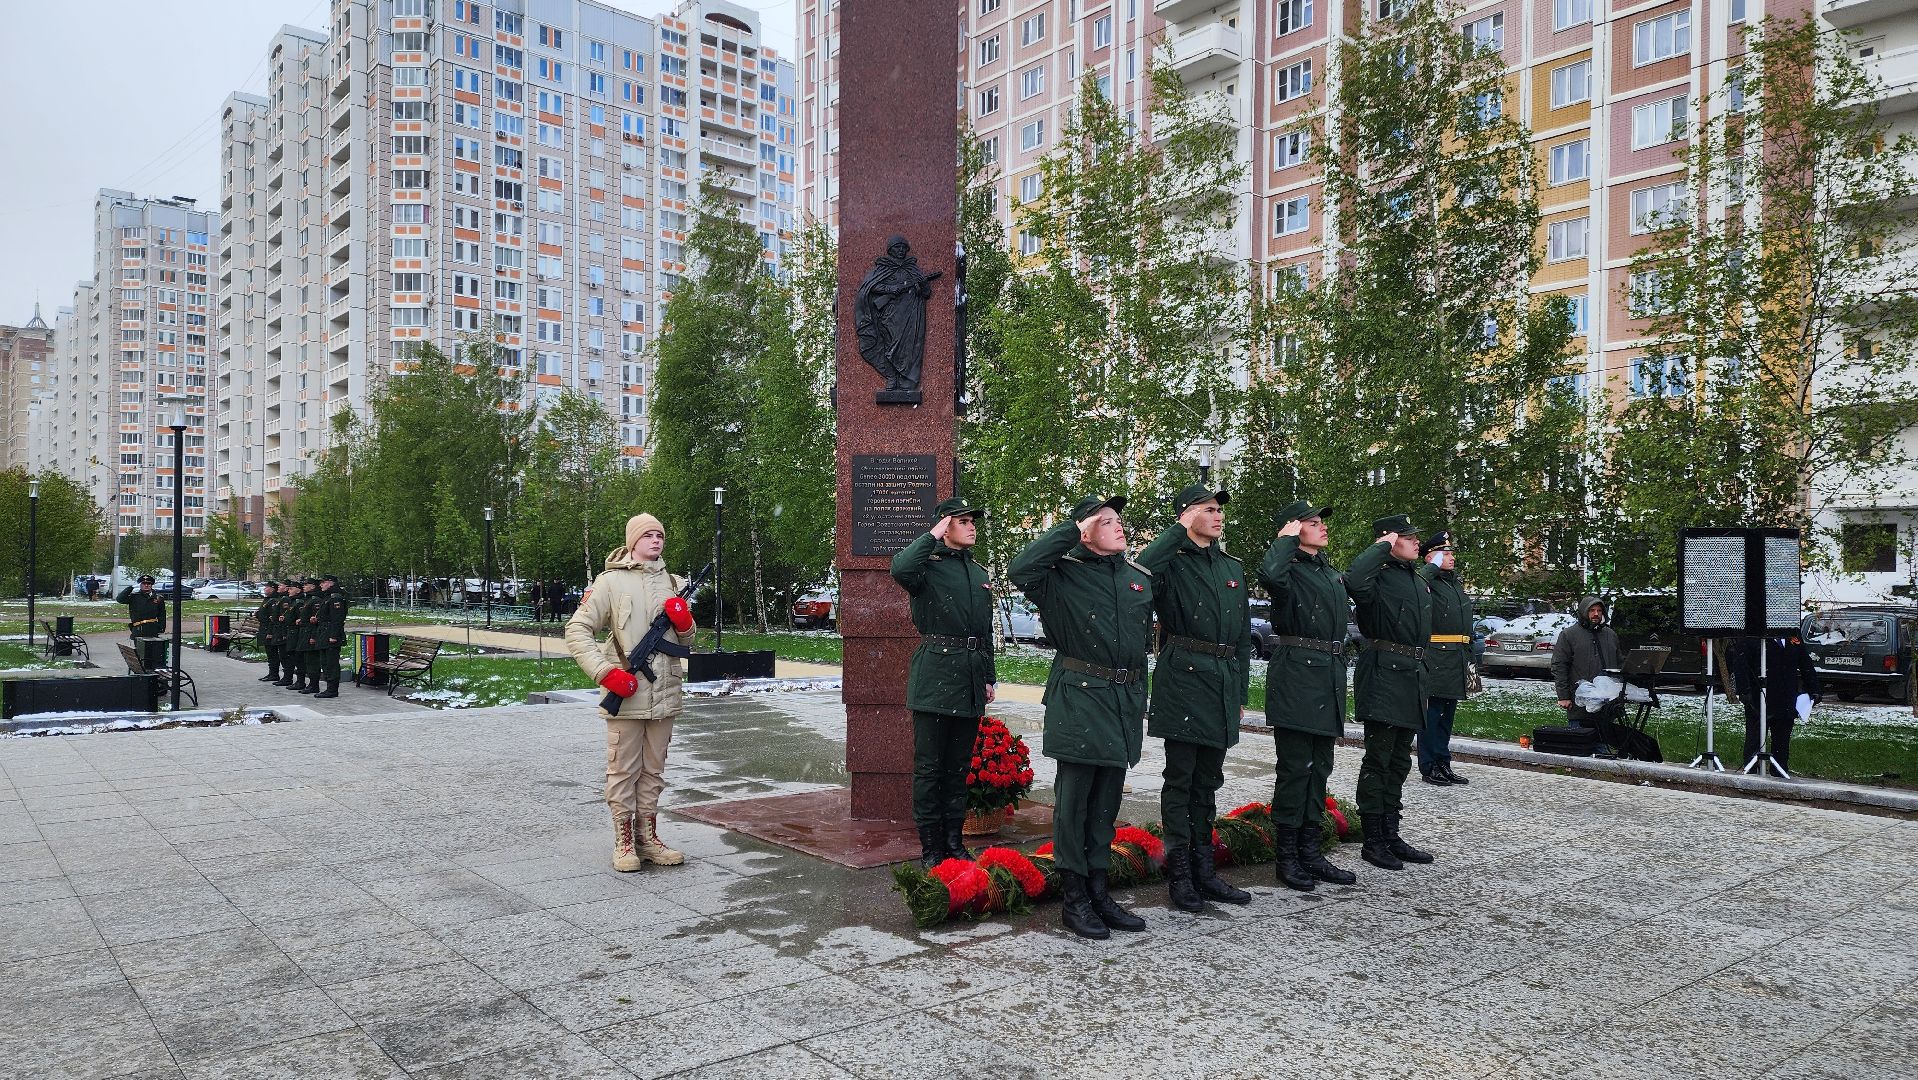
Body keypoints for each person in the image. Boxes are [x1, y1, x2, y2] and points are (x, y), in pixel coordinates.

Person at [1009, 496, 1153, 940]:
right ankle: (1075, 899)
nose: (1118, 526)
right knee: (1075, 804)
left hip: (1123, 700)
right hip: (1080, 697)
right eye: (1104, 521)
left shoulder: (1137, 579)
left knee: (1106, 803)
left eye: (1118, 520)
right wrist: (1073, 528)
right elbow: (1020, 570)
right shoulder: (1062, 576)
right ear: (1085, 531)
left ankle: (1099, 890)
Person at [1137, 483, 1253, 912]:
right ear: (1187, 516)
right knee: (1181, 780)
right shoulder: (1171, 561)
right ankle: (1181, 874)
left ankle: (1206, 871)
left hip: (1221, 680)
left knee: (1209, 780)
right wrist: (1176, 532)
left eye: (1220, 509)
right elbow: (1141, 570)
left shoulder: (1231, 567)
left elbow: (1241, 636)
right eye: (1208, 509)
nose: (1218, 516)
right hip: (1184, 675)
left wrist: (1239, 690)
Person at [565, 513, 696, 873]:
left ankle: (648, 838)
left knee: (654, 770)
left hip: (665, 691)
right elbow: (577, 630)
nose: (656, 541)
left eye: (660, 535)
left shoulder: (675, 582)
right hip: (627, 690)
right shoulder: (609, 582)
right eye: (648, 535)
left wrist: (685, 624)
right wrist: (605, 673)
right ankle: (624, 842)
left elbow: (687, 640)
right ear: (632, 541)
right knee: (623, 770)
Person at [890, 497, 999, 869]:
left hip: (969, 676)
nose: (971, 527)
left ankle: (954, 841)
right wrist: (934, 532)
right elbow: (900, 568)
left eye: (973, 521)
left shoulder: (979, 572)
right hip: (936, 673)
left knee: (957, 768)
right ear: (945, 526)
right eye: (963, 521)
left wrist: (988, 677)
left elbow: (983, 632)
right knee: (930, 769)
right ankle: (931, 847)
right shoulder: (927, 567)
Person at [1257, 500, 1359, 891]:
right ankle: (1288, 858)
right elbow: (1270, 575)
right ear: (1293, 529)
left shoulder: (1326, 570)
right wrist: (1284, 541)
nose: (1322, 527)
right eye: (1312, 523)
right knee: (1296, 770)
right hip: (1299, 673)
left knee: (1319, 769)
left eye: (1320, 522)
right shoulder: (1289, 568)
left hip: (1327, 676)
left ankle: (1311, 852)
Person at [1347, 514, 1437, 871]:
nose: (1417, 542)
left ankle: (1390, 831)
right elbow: (1353, 579)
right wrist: (1382, 545)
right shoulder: (1377, 576)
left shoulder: (1412, 578)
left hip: (1412, 675)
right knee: (1379, 759)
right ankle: (1372, 838)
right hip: (1385, 673)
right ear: (1388, 540)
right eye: (1408, 537)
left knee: (1400, 759)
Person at [1417, 532, 1474, 787]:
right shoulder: (1426, 580)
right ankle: (1429, 765)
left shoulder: (1453, 583)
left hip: (1457, 657)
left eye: (1451, 553)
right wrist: (1431, 567)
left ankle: (1443, 762)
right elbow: (1416, 587)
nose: (1451, 557)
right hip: (1437, 657)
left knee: (1447, 715)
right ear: (1431, 556)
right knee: (1432, 715)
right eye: (1445, 553)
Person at [1730, 635, 1819, 773]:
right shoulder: (1754, 636)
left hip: (1786, 698)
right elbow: (1740, 662)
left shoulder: (1793, 636)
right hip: (1759, 698)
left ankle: (1779, 771)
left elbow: (1805, 663)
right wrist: (1744, 690)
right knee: (1755, 738)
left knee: (1782, 741)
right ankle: (1751, 771)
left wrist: (1814, 689)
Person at [1550, 595, 1621, 755]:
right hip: (1580, 701)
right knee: (1580, 747)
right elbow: (1559, 665)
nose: (1596, 614)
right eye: (1592, 610)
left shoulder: (1610, 635)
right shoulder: (1569, 635)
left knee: (1604, 744)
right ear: (1584, 612)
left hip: (1606, 701)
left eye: (1599, 610)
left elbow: (1619, 663)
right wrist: (1563, 696)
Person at [312, 574, 350, 698]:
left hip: (330, 634)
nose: (321, 585)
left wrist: (333, 635)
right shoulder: (327, 597)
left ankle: (332, 690)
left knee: (331, 663)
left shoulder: (336, 598)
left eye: (323, 582)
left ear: (331, 583)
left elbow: (337, 619)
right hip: (323, 633)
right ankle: (329, 688)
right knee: (324, 662)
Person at [290, 578, 322, 694]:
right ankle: (303, 682)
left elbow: (316, 620)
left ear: (313, 586)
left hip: (309, 633)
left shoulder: (315, 600)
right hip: (303, 632)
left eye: (306, 585)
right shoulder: (307, 599)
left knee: (312, 661)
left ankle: (314, 685)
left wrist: (313, 636)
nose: (304, 586)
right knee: (302, 659)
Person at [116, 575, 167, 641]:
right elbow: (120, 599)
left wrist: (161, 628)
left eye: (148, 584)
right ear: (140, 585)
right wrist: (131, 588)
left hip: (152, 629)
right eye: (144, 584)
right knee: (139, 650)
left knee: (153, 650)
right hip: (138, 629)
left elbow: (162, 615)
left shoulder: (158, 598)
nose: (146, 585)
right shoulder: (134, 597)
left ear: (151, 585)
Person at [256, 582, 283, 683]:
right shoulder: (267, 599)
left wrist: (270, 632)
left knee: (272, 653)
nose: (264, 589)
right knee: (270, 653)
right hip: (264, 628)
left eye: (266, 587)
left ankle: (274, 674)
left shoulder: (273, 600)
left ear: (272, 589)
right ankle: (272, 673)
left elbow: (273, 618)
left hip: (269, 629)